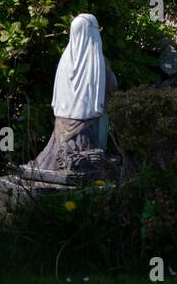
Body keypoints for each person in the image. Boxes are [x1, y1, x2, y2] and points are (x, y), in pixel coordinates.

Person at [28, 13, 117, 172]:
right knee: (85, 165)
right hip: (87, 124)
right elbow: (111, 86)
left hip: (62, 121)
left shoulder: (65, 59)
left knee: (55, 156)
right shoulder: (97, 61)